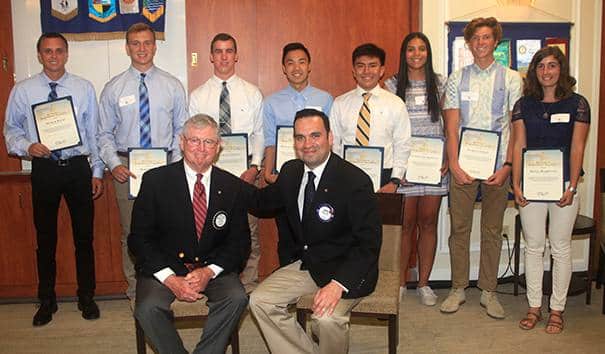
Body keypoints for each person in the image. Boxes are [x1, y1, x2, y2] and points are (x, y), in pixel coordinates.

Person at [248, 109, 381, 354]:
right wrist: (220, 182)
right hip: (309, 264)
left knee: (327, 319)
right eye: (300, 137)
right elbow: (261, 202)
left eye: (315, 136)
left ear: (330, 137)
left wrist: (338, 285)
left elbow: (368, 246)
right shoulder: (291, 171)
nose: (307, 144)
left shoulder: (355, 181)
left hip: (346, 269)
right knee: (260, 301)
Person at [4, 32, 103, 326]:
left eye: (59, 50)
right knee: (45, 239)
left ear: (67, 54)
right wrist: (27, 147)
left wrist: (97, 171)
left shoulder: (83, 88)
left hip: (77, 167)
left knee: (84, 238)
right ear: (39, 55)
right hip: (44, 168)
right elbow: (10, 131)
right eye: (47, 51)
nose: (53, 56)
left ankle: (87, 296)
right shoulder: (23, 91)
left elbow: (95, 134)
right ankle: (46, 300)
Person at [129, 115, 250, 354]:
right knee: (148, 308)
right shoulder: (155, 181)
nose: (201, 149)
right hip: (166, 267)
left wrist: (208, 271)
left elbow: (240, 242)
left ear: (218, 147)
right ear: (182, 142)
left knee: (236, 298)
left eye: (208, 142)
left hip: (212, 267)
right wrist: (170, 279)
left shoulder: (232, 185)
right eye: (194, 141)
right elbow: (139, 239)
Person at [97, 23, 188, 301]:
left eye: (147, 43)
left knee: (170, 230)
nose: (142, 49)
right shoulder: (114, 88)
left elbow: (181, 130)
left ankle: (168, 287)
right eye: (135, 43)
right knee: (132, 233)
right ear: (127, 48)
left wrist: (174, 166)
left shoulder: (172, 85)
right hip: (128, 170)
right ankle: (135, 290)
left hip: (165, 168)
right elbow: (103, 133)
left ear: (155, 46)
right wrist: (114, 165)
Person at [440, 17, 522, 319]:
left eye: (487, 37)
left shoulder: (512, 79)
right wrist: (454, 164)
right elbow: (451, 128)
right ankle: (458, 288)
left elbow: (516, 129)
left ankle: (488, 291)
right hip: (463, 166)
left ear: (495, 41)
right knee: (459, 229)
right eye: (475, 38)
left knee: (491, 229)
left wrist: (509, 166)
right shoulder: (456, 79)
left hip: (498, 167)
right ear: (469, 42)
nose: (481, 43)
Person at [512, 46, 590, 334]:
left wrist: (572, 185)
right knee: (533, 247)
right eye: (541, 66)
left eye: (552, 65)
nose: (547, 71)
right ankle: (534, 306)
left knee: (560, 247)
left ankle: (557, 309)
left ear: (561, 69)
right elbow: (519, 144)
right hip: (531, 186)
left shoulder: (578, 104)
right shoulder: (523, 105)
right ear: (534, 71)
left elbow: (578, 147)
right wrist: (516, 183)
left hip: (563, 188)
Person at [189, 32, 263, 292]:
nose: (223, 56)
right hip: (211, 177)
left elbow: (259, 133)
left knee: (249, 234)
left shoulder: (252, 93)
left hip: (244, 176)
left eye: (228, 51)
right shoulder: (198, 96)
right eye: (218, 51)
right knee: (212, 232)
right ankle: (219, 285)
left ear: (236, 55)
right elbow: (194, 141)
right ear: (211, 56)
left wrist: (255, 167)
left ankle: (250, 286)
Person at [384, 32, 447, 306]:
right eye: (411, 49)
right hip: (405, 168)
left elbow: (450, 123)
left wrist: (448, 158)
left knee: (429, 223)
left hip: (434, 166)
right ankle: (399, 284)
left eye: (422, 48)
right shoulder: (391, 84)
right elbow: (388, 131)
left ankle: (424, 283)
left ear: (428, 53)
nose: (416, 54)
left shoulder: (441, 83)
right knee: (405, 225)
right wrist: (396, 168)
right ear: (404, 53)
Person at [330, 43, 411, 192]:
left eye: (372, 66)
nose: (366, 71)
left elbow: (402, 145)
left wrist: (395, 181)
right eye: (360, 66)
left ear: (381, 71)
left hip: (385, 178)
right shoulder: (340, 103)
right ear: (353, 71)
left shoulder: (396, 104)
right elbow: (334, 144)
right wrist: (335, 176)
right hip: (346, 176)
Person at [262, 42, 333, 184]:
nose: (296, 68)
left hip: (318, 172)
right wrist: (268, 172)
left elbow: (329, 139)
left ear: (309, 66)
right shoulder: (271, 102)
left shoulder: (326, 99)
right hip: (284, 173)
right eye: (290, 63)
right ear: (284, 68)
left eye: (302, 62)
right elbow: (270, 140)